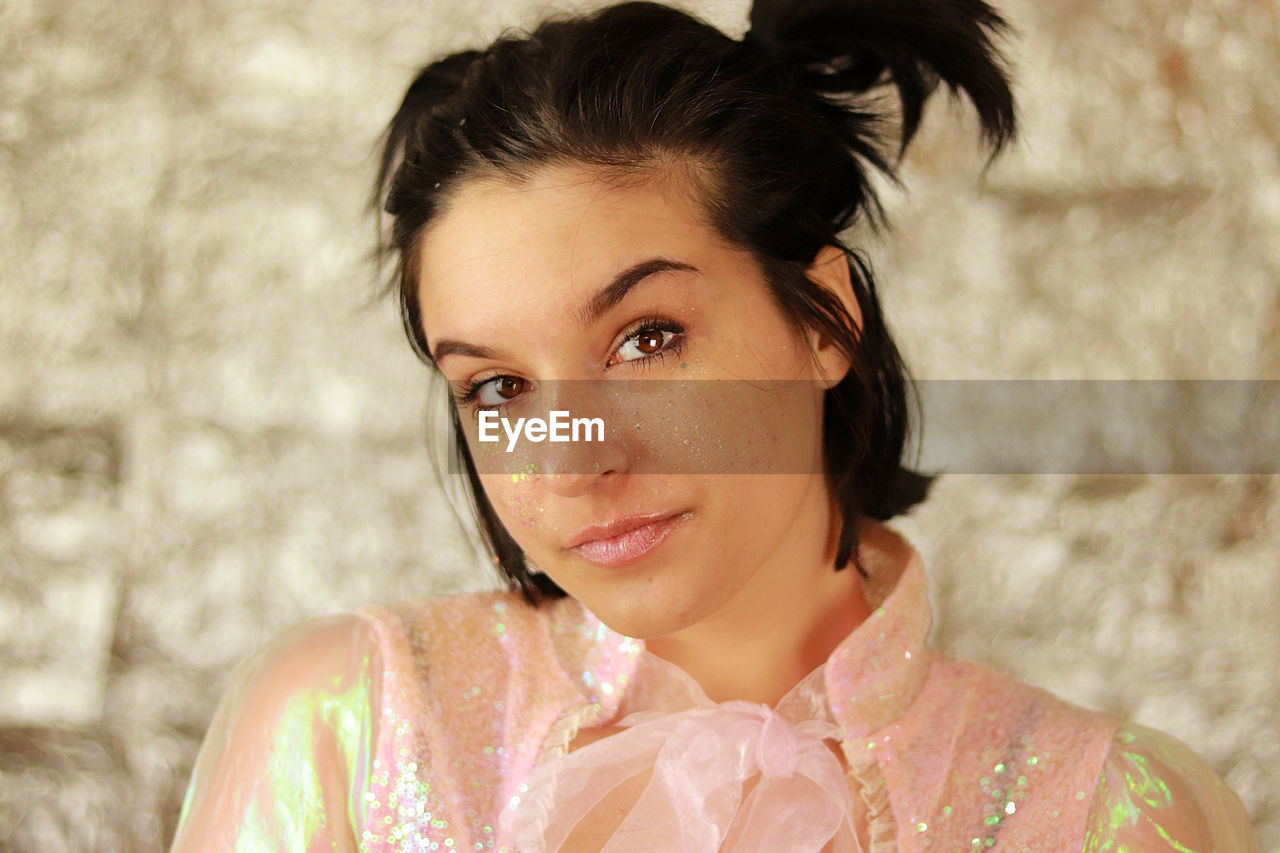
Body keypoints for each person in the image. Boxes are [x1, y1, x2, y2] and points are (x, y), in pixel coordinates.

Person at [169, 0, 1259, 850]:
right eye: (497, 389)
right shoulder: (349, 727)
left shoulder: (1108, 817)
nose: (572, 458)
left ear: (823, 318)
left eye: (646, 339)